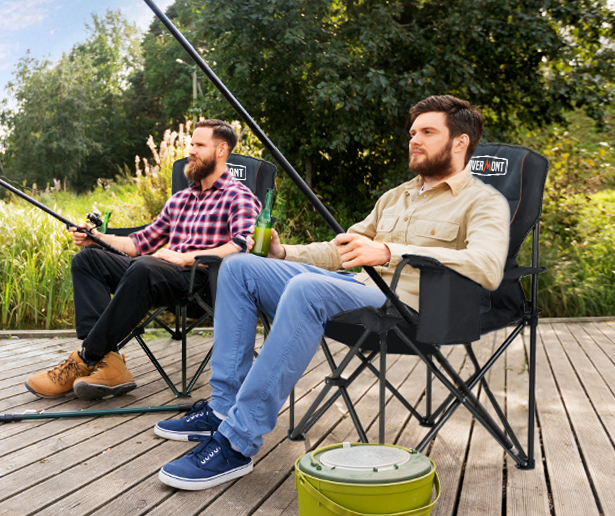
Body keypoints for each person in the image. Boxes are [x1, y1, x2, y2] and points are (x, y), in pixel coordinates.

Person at [153, 95, 510, 491]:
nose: (414, 140)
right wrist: (284, 252)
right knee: (240, 267)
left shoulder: (483, 200)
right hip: (356, 288)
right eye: (412, 132)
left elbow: (488, 265)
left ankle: (237, 441)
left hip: (412, 307)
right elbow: (343, 249)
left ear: (459, 143)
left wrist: (391, 251)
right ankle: (222, 409)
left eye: (428, 132)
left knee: (307, 289)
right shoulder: (396, 197)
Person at [25, 119, 262, 401]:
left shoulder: (239, 197)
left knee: (145, 267)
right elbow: (140, 242)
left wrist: (186, 257)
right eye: (191, 144)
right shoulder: (180, 200)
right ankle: (110, 363)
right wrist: (97, 238)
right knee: (88, 260)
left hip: (203, 280)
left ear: (221, 150)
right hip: (159, 273)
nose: (192, 151)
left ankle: (85, 358)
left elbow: (243, 245)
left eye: (200, 145)